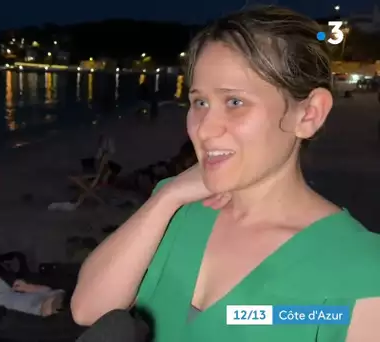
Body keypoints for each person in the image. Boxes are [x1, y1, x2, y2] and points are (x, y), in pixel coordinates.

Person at [70, 6, 380, 342]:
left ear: (308, 114)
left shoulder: (358, 266)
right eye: (200, 102)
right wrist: (166, 198)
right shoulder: (177, 212)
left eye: (234, 102)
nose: (204, 130)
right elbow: (88, 310)